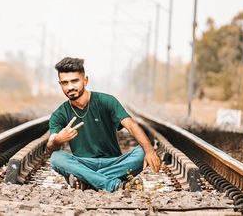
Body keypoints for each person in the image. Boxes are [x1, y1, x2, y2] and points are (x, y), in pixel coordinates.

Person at [47, 57, 161, 192]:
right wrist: (58, 140)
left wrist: (149, 151)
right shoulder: (59, 114)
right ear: (60, 84)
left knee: (143, 151)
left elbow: (131, 125)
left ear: (85, 80)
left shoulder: (106, 101)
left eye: (74, 81)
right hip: (83, 163)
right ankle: (114, 185)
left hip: (114, 162)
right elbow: (50, 146)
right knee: (56, 158)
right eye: (65, 83)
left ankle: (88, 182)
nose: (70, 87)